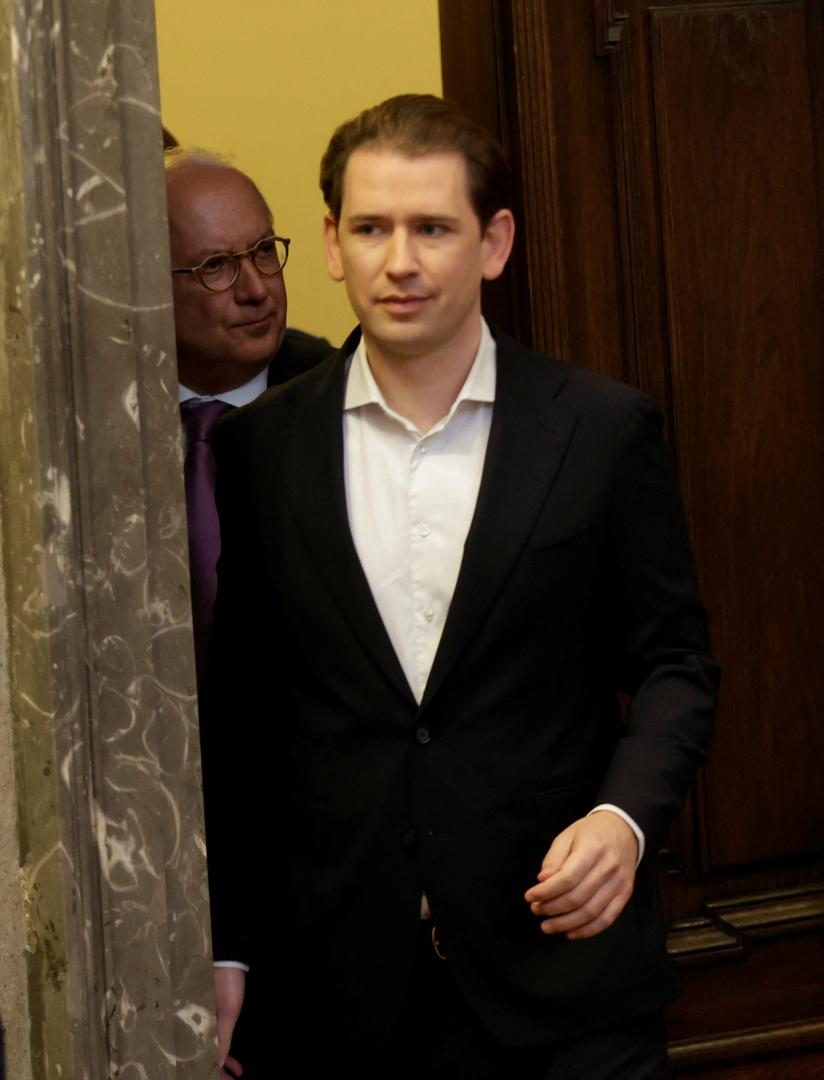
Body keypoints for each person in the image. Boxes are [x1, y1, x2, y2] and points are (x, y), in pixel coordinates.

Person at [204, 95, 718, 1078]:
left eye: (432, 228)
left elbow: (676, 664)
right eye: (371, 228)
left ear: (494, 243)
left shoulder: (599, 431)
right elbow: (241, 720)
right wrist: (229, 946)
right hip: (337, 995)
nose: (398, 261)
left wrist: (622, 820)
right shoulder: (261, 449)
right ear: (331, 244)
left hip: (564, 984)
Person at [165, 150, 331, 1077]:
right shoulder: (79, 427)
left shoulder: (341, 399)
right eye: (214, 266)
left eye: (265, 251)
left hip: (317, 872)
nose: (257, 287)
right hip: (148, 851)